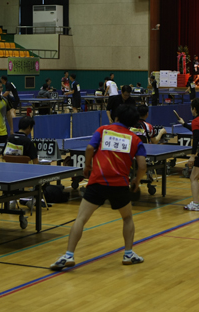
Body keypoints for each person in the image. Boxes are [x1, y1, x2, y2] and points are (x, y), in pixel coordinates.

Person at [50, 104, 147, 271]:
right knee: (127, 218)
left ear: (116, 117)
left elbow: (90, 148)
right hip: (119, 184)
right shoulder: (135, 139)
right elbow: (143, 166)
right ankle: (128, 254)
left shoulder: (103, 130)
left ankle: (69, 255)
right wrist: (136, 181)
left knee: (81, 219)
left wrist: (87, 165)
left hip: (97, 181)